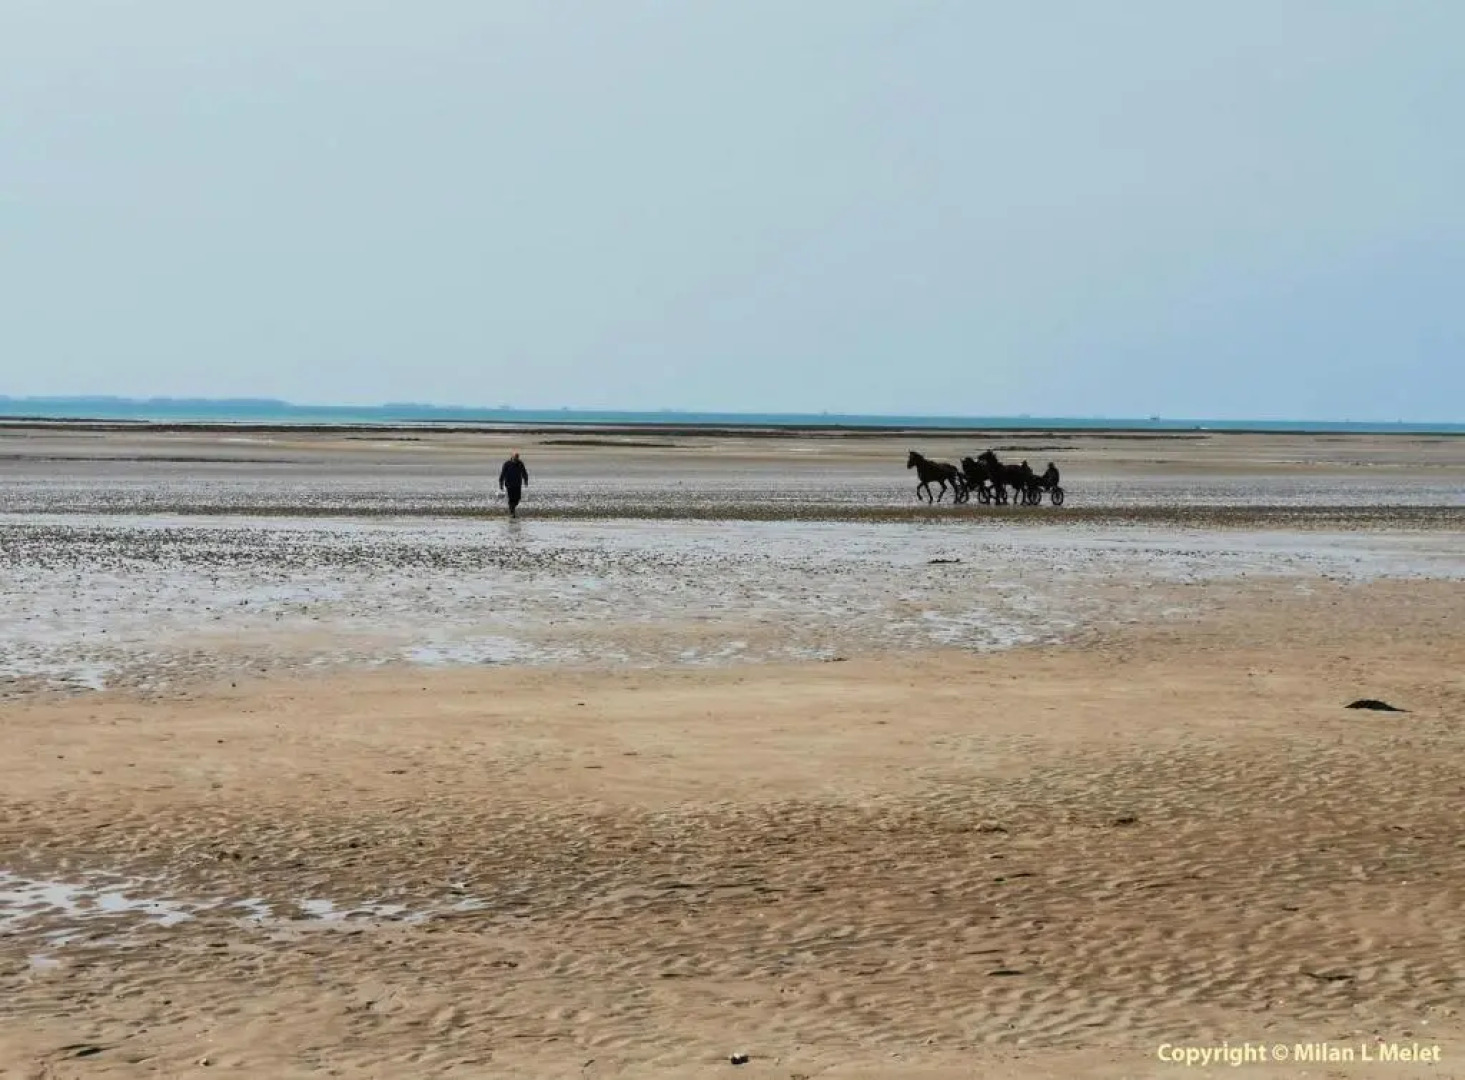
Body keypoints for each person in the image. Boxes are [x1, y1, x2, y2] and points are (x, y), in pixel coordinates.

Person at [498, 451, 529, 517]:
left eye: (517, 458)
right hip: (509, 484)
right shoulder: (507, 464)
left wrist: (526, 480)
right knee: (511, 499)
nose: (516, 459)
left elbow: (524, 472)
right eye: (515, 458)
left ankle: (512, 509)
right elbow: (502, 474)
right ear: (512, 457)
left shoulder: (520, 463)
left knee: (517, 499)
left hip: (517, 484)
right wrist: (501, 483)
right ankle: (512, 512)